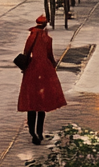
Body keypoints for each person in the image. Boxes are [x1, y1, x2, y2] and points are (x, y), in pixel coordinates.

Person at [16, 15, 67, 145]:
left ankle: (32, 132)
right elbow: (50, 55)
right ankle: (39, 131)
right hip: (45, 69)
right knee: (42, 103)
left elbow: (26, 52)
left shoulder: (31, 36)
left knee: (31, 101)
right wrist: (53, 65)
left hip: (32, 69)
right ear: (45, 24)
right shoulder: (47, 38)